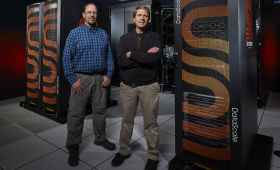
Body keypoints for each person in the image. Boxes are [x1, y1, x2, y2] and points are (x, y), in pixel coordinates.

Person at [62, 3, 115, 167]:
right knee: (76, 113)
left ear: (97, 15)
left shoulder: (103, 34)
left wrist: (108, 74)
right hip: (81, 79)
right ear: (84, 15)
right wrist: (72, 79)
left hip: (100, 79)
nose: (92, 15)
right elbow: (65, 58)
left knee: (100, 110)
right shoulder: (74, 33)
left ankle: (100, 138)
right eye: (89, 12)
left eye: (95, 12)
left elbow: (109, 57)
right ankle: (73, 145)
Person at [111, 6, 162, 170]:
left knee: (151, 123)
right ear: (134, 18)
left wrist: (131, 54)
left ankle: (153, 156)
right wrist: (143, 56)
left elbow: (153, 59)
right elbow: (121, 61)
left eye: (145, 16)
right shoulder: (124, 38)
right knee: (126, 121)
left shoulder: (155, 37)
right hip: (128, 87)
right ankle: (123, 151)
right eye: (139, 15)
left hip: (149, 86)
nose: (142, 18)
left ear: (148, 19)